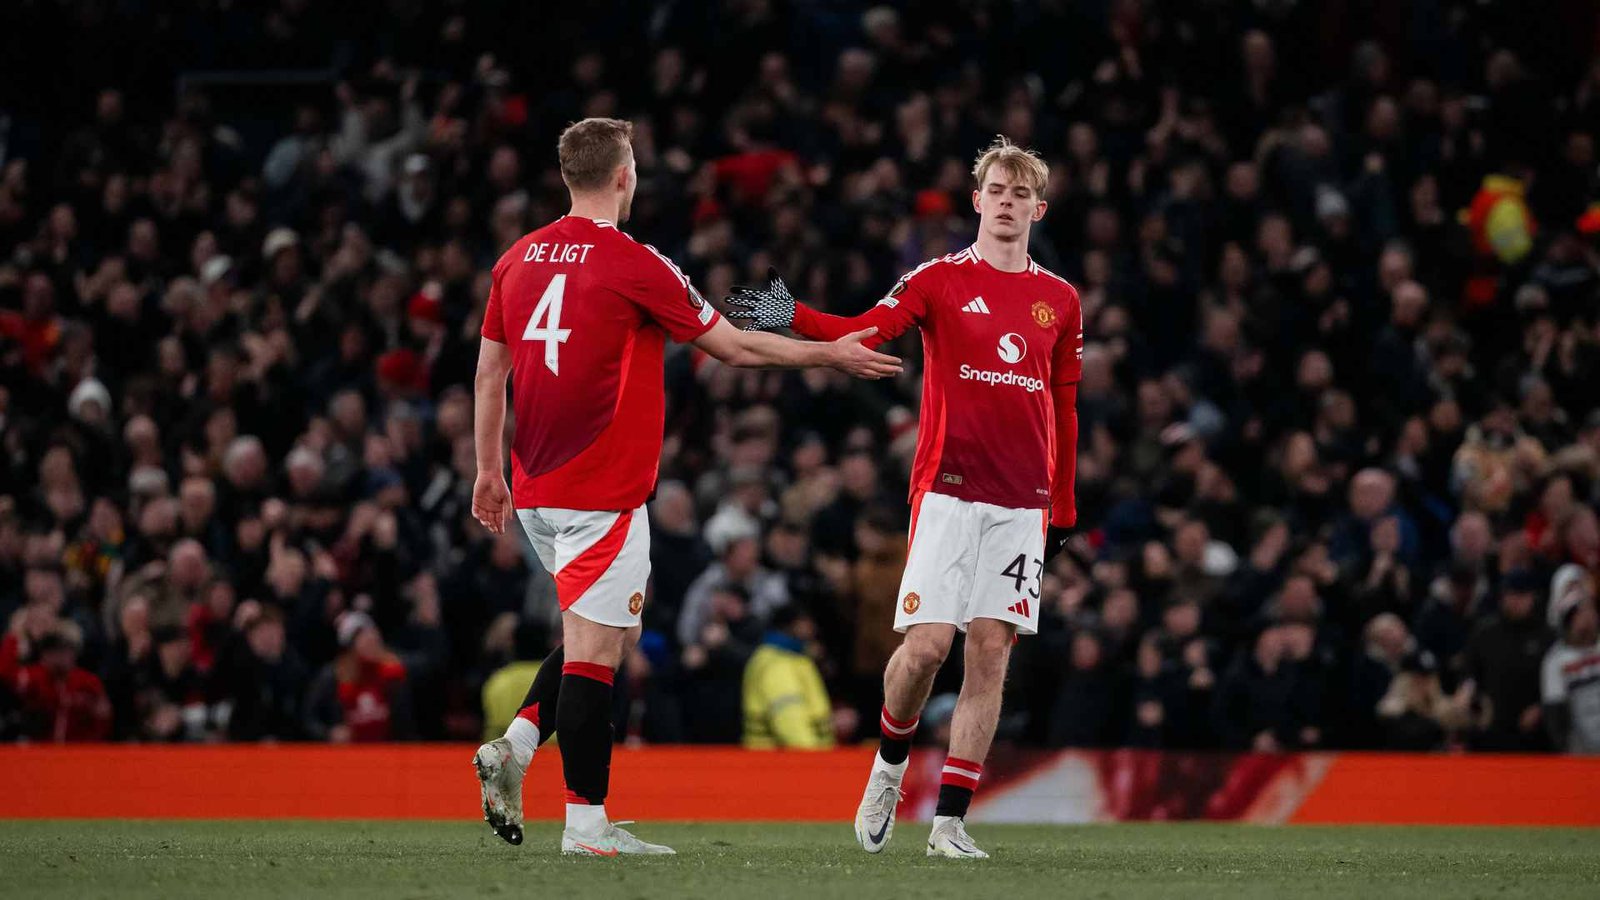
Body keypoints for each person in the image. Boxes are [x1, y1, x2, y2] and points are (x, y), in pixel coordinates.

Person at [469, 117, 901, 854]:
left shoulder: (517, 259)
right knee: (594, 658)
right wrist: (831, 354)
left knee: (600, 635)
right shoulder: (636, 263)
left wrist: (485, 470)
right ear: (623, 177)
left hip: (534, 491)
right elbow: (732, 347)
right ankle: (586, 824)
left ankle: (513, 747)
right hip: (600, 494)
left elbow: (489, 372)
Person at [727, 137, 1084, 858]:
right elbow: (866, 329)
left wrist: (1064, 507)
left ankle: (950, 823)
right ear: (977, 201)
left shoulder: (1060, 301)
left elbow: (1066, 408)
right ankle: (889, 766)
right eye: (997, 190)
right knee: (925, 650)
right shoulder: (939, 280)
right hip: (948, 494)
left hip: (1022, 504)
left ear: (1038, 209)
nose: (1008, 203)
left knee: (990, 653)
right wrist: (790, 315)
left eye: (1022, 194)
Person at [742, 604, 833, 749]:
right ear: (790, 626)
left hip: (784, 758)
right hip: (785, 762)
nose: (812, 629)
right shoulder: (778, 664)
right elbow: (789, 719)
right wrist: (816, 759)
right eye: (805, 623)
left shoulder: (791, 658)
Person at [1541, 566, 1600, 753]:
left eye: (1590, 610)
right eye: (1580, 613)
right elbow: (1555, 714)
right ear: (1568, 620)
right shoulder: (1556, 661)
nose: (1588, 618)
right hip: (1581, 754)